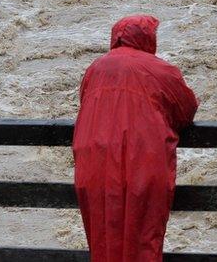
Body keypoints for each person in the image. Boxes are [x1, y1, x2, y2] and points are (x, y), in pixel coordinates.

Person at [73, 15, 199, 262]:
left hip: (94, 163)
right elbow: (186, 111)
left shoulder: (95, 69)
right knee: (142, 239)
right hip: (142, 162)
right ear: (147, 38)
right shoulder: (161, 70)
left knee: (103, 238)